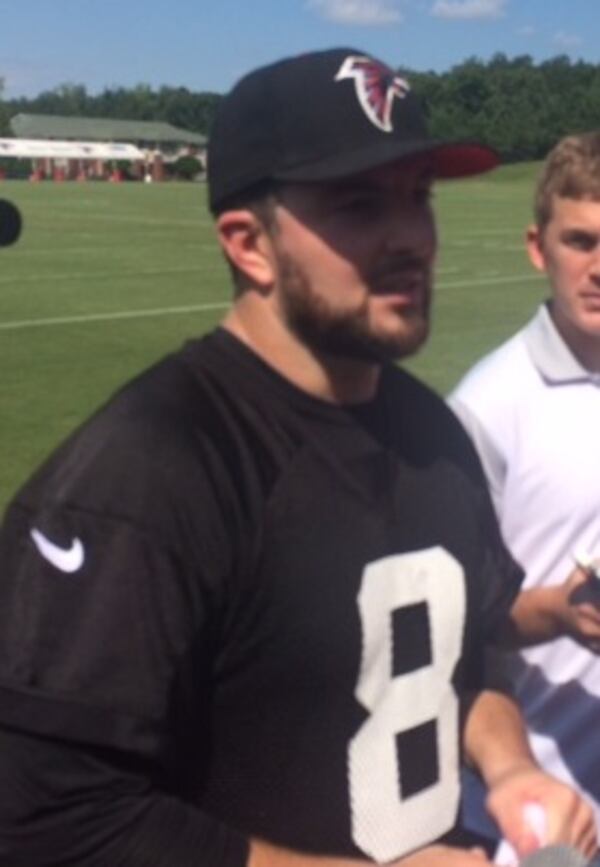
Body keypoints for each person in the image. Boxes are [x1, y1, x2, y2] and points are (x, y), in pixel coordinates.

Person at [0, 49, 595, 867]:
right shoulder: (147, 470)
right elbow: (52, 818)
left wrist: (511, 766)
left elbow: (470, 651)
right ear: (249, 243)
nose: (410, 238)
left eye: (417, 197)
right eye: (357, 204)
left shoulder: (433, 434)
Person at [449, 131, 600, 848]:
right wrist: (561, 612)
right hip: (539, 818)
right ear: (538, 248)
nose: (599, 268)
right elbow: (446, 631)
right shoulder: (488, 409)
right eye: (581, 241)